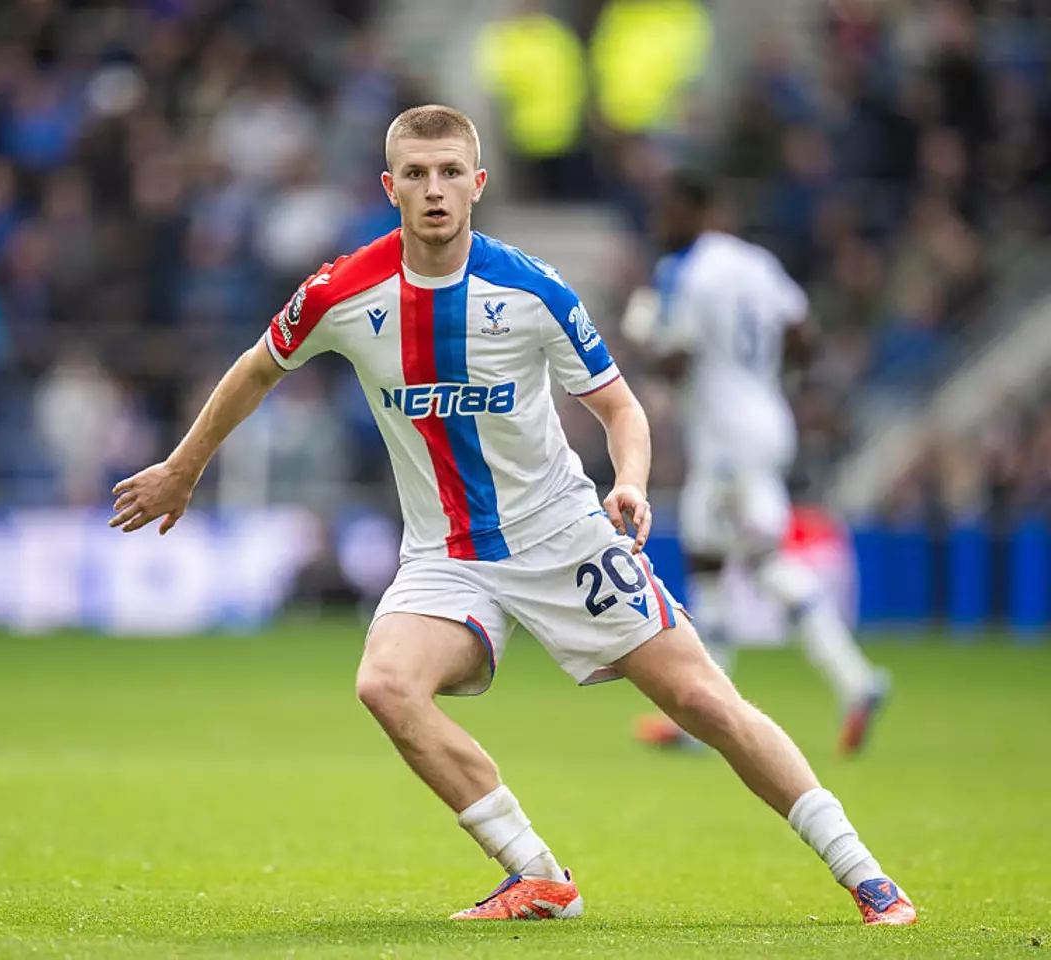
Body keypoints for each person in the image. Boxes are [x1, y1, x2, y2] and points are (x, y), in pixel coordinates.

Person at [110, 106, 915, 925]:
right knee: (386, 684)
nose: (434, 190)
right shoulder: (340, 291)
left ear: (478, 184)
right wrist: (182, 470)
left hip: (561, 536)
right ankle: (538, 874)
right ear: (390, 187)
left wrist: (630, 481)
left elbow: (622, 409)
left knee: (706, 703)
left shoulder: (531, 288)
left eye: (450, 172)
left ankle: (867, 876)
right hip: (444, 554)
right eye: (416, 175)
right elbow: (255, 370)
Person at [622, 171, 889, 755]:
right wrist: (761, 375)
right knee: (707, 554)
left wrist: (641, 337)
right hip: (765, 418)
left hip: (727, 438)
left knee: (765, 560)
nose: (659, 224)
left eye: (667, 212)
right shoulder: (756, 263)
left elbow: (676, 362)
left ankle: (857, 679)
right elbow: (804, 335)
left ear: (694, 211)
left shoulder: (684, 272)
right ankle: (706, 709)